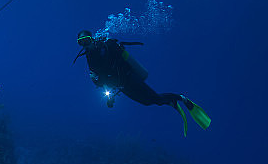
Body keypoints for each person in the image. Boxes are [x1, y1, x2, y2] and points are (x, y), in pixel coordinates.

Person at [74, 30, 210, 136]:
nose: (85, 45)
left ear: (91, 39)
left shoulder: (106, 47)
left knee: (155, 98)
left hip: (130, 78)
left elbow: (118, 63)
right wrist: (108, 96)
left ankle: (180, 98)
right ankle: (170, 102)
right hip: (121, 86)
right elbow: (100, 79)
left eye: (86, 40)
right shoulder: (89, 58)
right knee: (148, 102)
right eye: (81, 42)